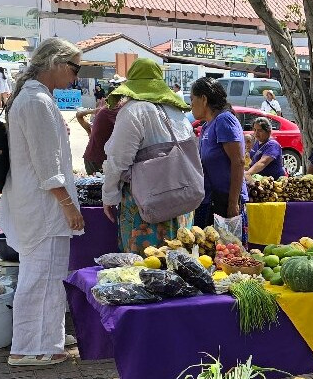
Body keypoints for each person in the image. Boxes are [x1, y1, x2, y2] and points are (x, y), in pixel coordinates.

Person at [0, 38, 85, 367]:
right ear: (57, 64)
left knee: (44, 275)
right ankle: (31, 347)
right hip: (45, 207)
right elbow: (47, 166)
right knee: (42, 276)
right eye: (74, 68)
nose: (75, 77)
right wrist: (67, 205)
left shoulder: (34, 97)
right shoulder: (36, 100)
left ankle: (46, 339)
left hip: (40, 205)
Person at [100, 59, 197, 253]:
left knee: (145, 269)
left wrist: (109, 196)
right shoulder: (177, 112)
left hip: (146, 203)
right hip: (180, 200)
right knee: (179, 264)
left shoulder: (133, 111)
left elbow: (118, 161)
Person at [190, 77, 247, 239]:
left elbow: (238, 162)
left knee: (228, 253)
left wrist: (233, 203)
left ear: (204, 99)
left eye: (192, 99)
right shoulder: (207, 125)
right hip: (208, 200)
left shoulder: (224, 119)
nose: (191, 105)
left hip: (224, 201)